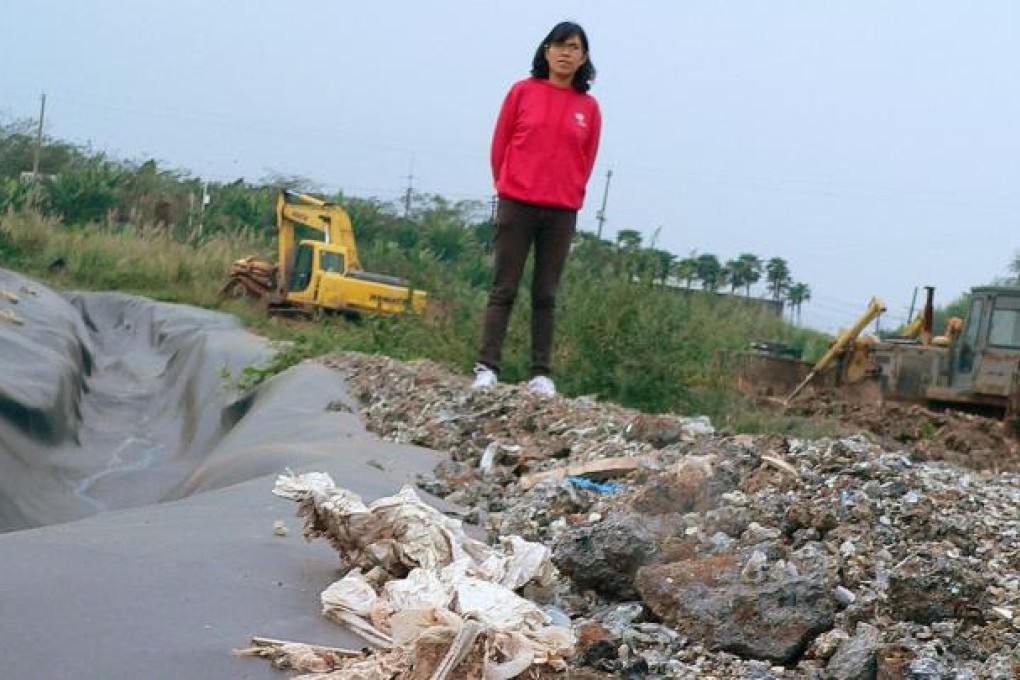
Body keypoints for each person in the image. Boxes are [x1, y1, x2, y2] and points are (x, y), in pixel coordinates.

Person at [472, 20, 602, 397]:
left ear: (584, 57)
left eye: (574, 47)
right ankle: (486, 367)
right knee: (504, 288)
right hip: (518, 204)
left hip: (561, 211)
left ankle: (540, 373)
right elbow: (500, 146)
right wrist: (508, 186)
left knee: (546, 293)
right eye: (559, 45)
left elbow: (586, 159)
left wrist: (571, 194)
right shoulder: (522, 92)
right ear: (545, 51)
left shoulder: (588, 108)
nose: (566, 53)